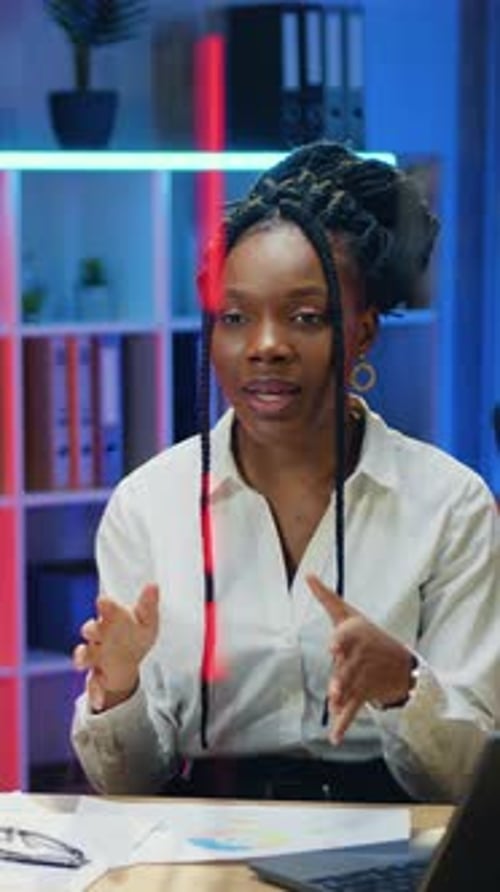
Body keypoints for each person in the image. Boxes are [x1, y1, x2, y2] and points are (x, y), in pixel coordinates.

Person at [71, 141, 500, 804]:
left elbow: (472, 783)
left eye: (305, 317)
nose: (266, 346)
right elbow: (127, 782)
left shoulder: (451, 505)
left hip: (394, 842)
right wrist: (121, 684)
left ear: (361, 333)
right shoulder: (148, 505)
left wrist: (403, 686)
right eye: (236, 318)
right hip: (204, 848)